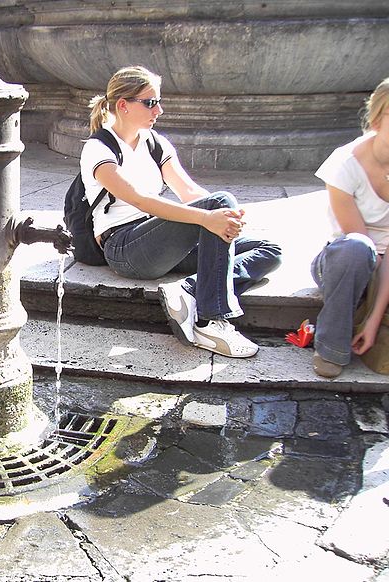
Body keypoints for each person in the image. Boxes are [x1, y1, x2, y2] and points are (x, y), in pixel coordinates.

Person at [81, 66, 281, 358]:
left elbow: (190, 193)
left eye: (159, 102)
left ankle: (188, 289)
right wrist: (208, 215)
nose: (159, 110)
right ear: (123, 105)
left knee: (268, 249)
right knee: (216, 205)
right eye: (150, 102)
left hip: (163, 242)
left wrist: (228, 216)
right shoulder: (99, 149)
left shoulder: (156, 144)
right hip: (126, 248)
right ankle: (209, 320)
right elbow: (140, 200)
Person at [310, 78, 389, 378]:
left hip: (386, 266)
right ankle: (331, 347)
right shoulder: (344, 164)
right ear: (377, 117)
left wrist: (372, 320)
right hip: (346, 263)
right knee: (358, 247)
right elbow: (367, 249)